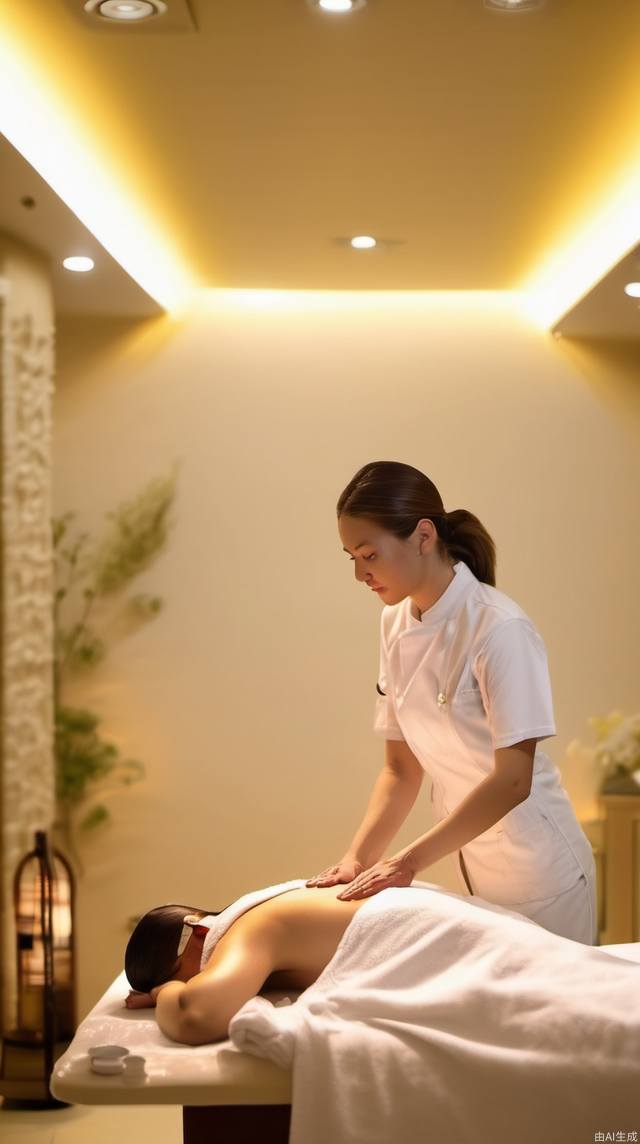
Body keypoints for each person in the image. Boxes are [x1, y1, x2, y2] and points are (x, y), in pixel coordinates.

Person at [305, 460, 597, 946]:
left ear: (423, 536)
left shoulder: (499, 628)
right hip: (473, 861)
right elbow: (401, 769)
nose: (360, 573)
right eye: (350, 558)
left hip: (542, 873)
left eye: (369, 554)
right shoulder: (395, 624)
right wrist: (357, 859)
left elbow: (512, 780)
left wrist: (407, 862)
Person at [122, 885, 368, 1042]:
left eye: (182, 979)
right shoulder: (260, 910)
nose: (190, 985)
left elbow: (193, 1018)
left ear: (197, 933)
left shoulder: (251, 928)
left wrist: (163, 991)